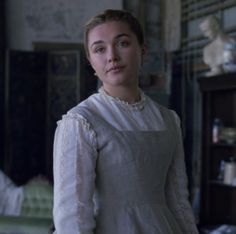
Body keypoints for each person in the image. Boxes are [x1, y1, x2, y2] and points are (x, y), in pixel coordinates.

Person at [52, 9, 199, 234]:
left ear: (143, 50)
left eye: (122, 43)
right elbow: (72, 216)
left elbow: (178, 200)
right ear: (91, 62)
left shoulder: (169, 119)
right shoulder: (81, 121)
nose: (112, 56)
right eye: (99, 49)